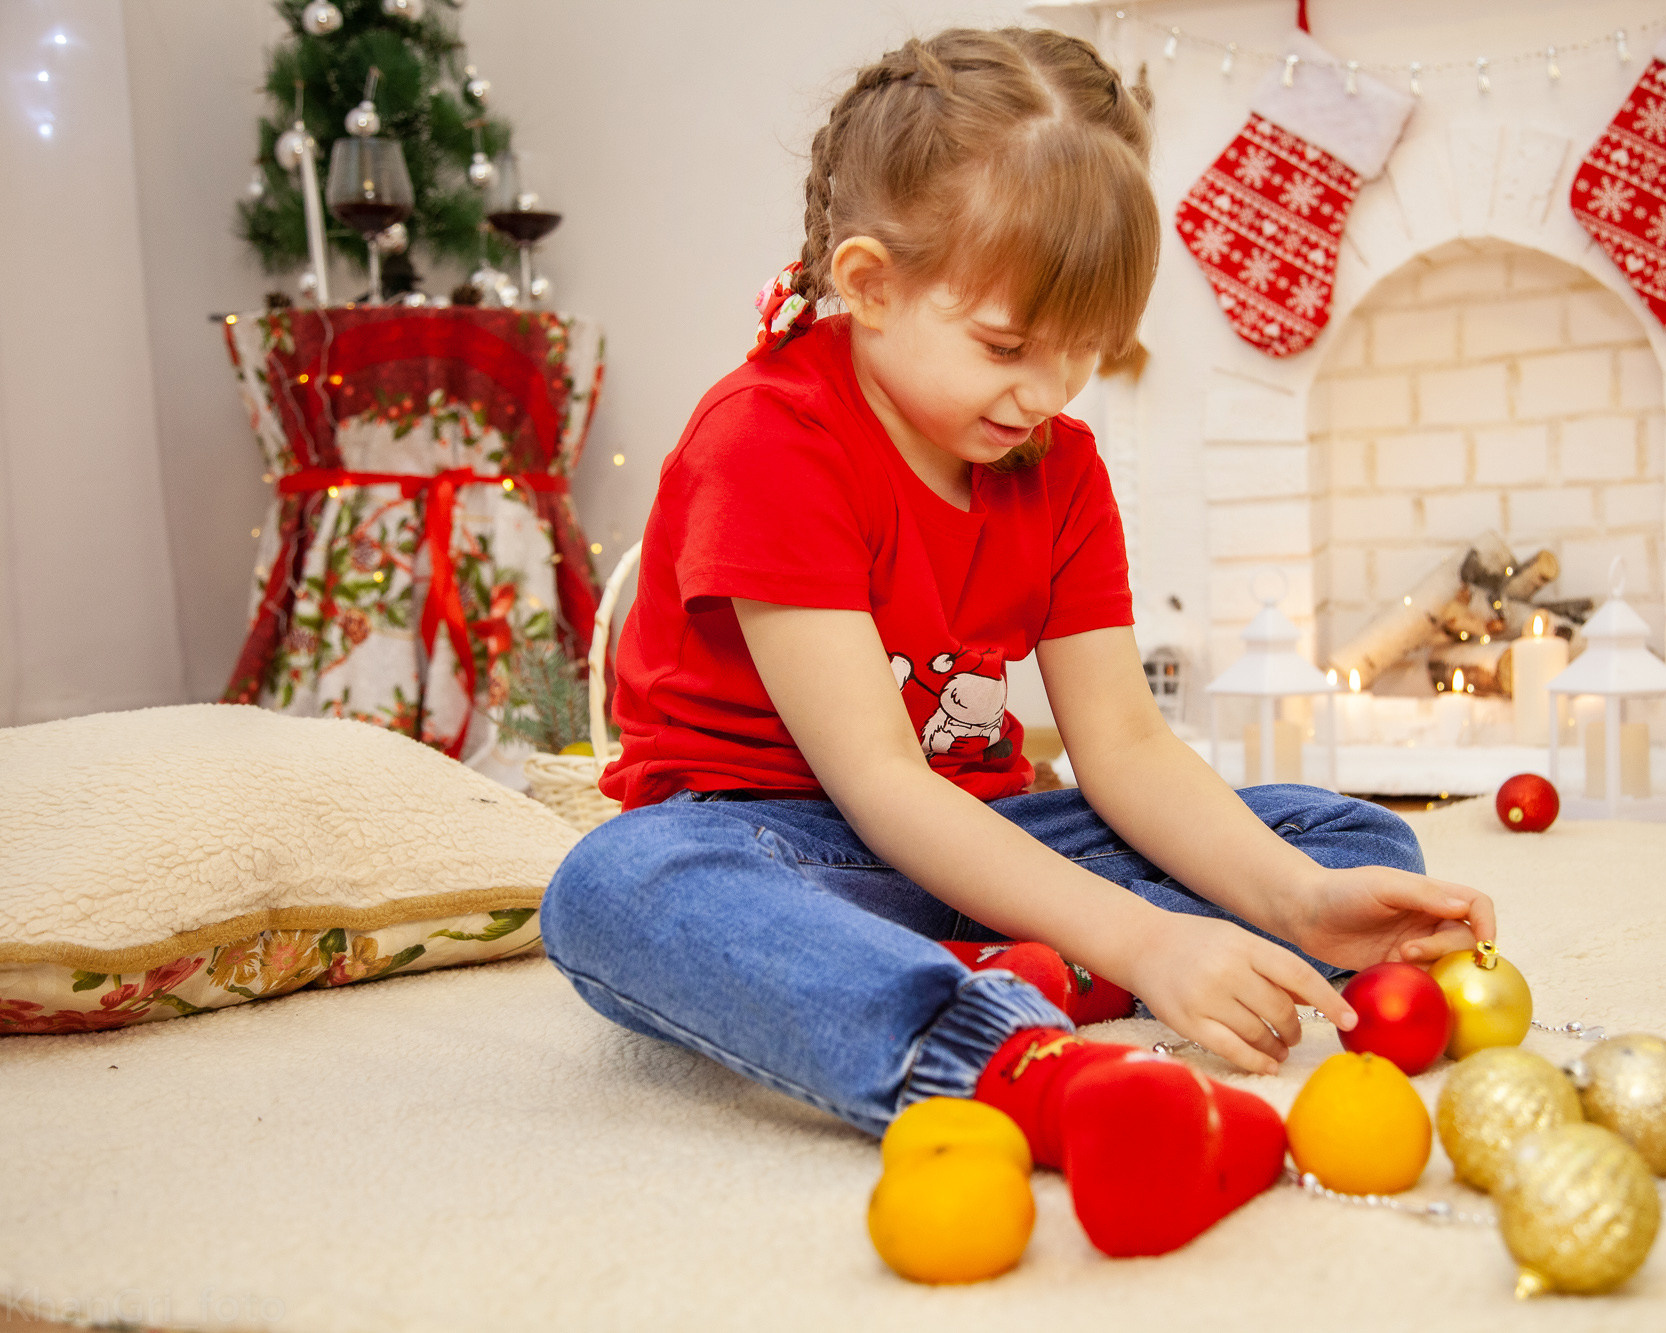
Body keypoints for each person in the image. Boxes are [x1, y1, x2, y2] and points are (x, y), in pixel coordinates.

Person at [538, 26, 1496, 1261]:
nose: (1047, 393)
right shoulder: (769, 439)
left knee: (1341, 837)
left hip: (973, 834)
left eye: (1085, 353)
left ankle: (1039, 953)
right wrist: (1148, 934)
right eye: (1006, 347)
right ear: (870, 284)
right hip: (776, 839)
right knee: (613, 893)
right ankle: (1022, 1060)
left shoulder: (1057, 468)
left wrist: (1299, 900)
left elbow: (1126, 747)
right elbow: (876, 784)